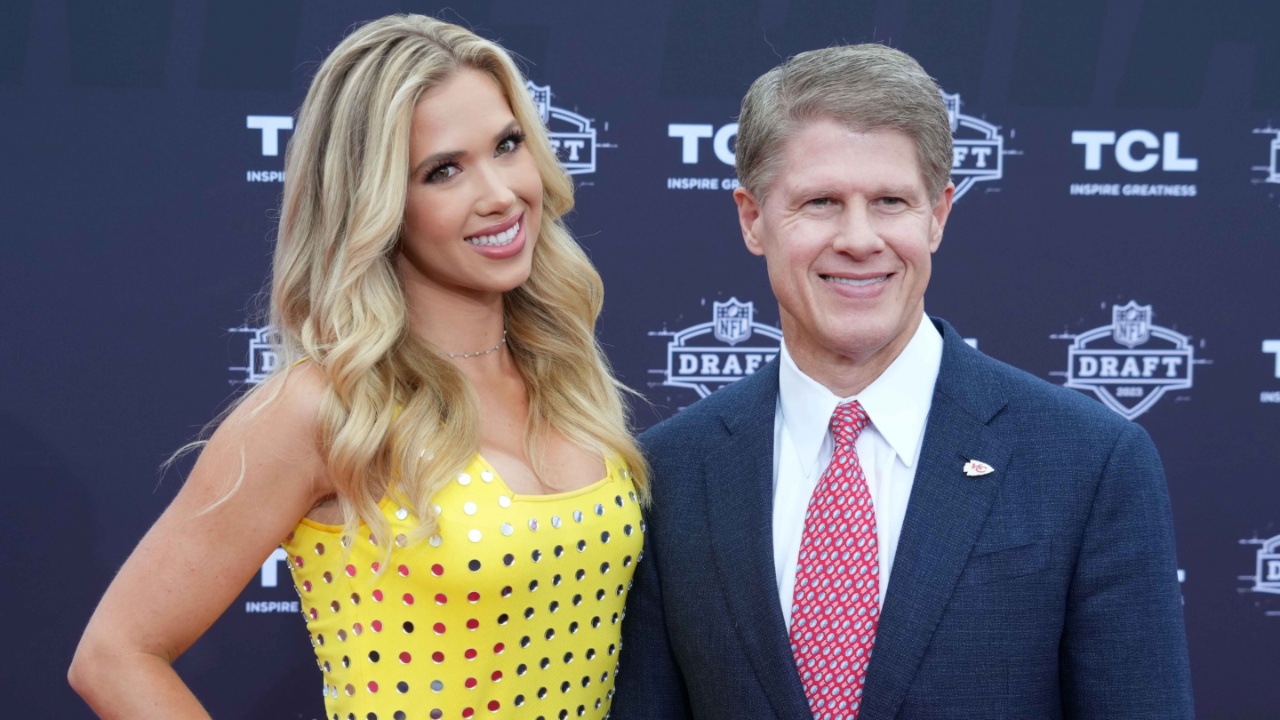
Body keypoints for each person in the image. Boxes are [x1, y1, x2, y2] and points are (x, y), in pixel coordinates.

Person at [68, 15, 647, 720]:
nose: (498, 192)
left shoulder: (563, 375)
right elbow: (115, 655)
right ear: (375, 202)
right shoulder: (323, 407)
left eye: (507, 145)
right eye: (444, 171)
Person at [612, 44, 1193, 720]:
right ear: (753, 218)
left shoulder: (1090, 463)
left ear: (938, 215)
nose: (859, 238)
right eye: (821, 202)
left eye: (890, 201)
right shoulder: (673, 472)